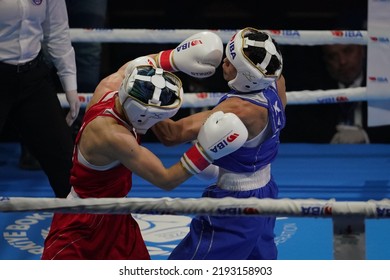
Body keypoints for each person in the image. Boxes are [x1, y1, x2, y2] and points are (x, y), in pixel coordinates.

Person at [41, 31, 249, 260]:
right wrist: (205, 151)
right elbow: (166, 179)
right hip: (81, 221)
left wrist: (173, 59)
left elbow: (144, 64)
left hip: (117, 216)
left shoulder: (111, 85)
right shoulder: (114, 136)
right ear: (142, 117)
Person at [151, 27, 286, 260]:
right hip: (266, 190)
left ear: (246, 76)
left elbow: (171, 135)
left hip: (235, 203)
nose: (224, 61)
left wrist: (145, 95)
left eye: (231, 62)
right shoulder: (276, 82)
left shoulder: (238, 109)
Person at [0, 0, 80, 197]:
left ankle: (78, 226)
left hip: (33, 77)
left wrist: (70, 85)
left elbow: (57, 30)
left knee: (66, 167)